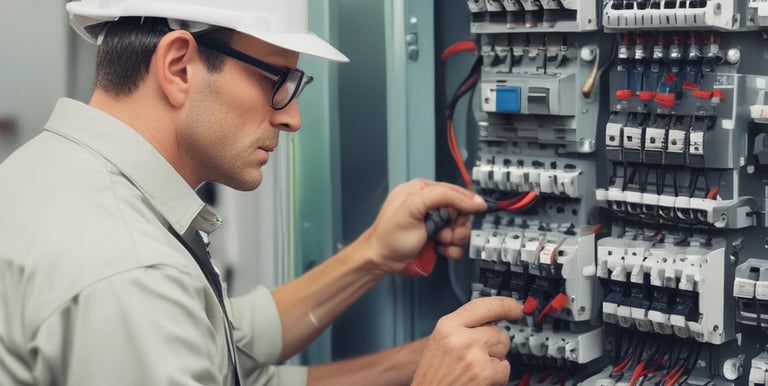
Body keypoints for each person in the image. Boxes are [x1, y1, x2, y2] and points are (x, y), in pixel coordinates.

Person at [0, 1, 523, 385]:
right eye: (278, 79)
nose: (291, 117)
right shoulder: (129, 273)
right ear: (179, 66)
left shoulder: (52, 174)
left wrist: (374, 256)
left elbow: (227, 351)